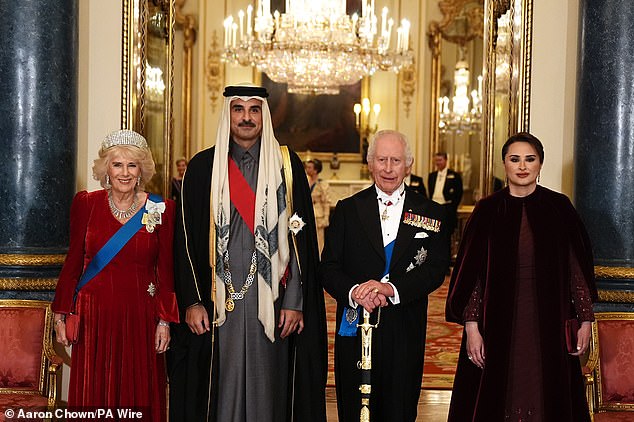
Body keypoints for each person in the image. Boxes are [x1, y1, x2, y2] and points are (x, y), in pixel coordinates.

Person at [168, 84, 327, 422]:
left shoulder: (286, 165)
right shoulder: (202, 167)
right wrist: (193, 300)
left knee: (269, 380)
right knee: (220, 381)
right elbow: (184, 240)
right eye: (238, 109)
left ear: (264, 116)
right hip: (217, 296)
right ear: (227, 114)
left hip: (271, 296)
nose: (246, 117)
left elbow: (300, 238)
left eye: (254, 109)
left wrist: (294, 300)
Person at [445, 132, 597, 421]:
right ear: (504, 164)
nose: (523, 166)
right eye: (515, 159)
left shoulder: (559, 207)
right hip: (495, 321)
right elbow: (472, 277)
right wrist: (472, 328)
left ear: (540, 164)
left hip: (550, 320)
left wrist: (586, 319)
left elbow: (577, 269)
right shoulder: (486, 210)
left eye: (530, 159)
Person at [320, 130, 451, 422]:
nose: (388, 168)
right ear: (370, 163)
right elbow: (328, 267)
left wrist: (390, 288)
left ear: (409, 164)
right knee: (355, 407)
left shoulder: (431, 212)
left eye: (396, 160)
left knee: (399, 406)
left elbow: (435, 270)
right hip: (356, 325)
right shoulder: (348, 209)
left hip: (404, 324)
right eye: (381, 160)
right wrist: (355, 292)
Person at [52, 129, 179, 422]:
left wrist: (164, 321)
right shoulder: (86, 203)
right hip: (93, 316)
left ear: (141, 170)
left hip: (140, 316)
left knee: (139, 393)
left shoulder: (161, 209)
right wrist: (60, 315)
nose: (124, 172)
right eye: (117, 164)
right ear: (106, 169)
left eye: (131, 165)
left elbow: (166, 270)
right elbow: (72, 262)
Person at [428, 152, 463, 234]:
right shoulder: (432, 176)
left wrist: (452, 207)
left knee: (446, 234)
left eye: (440, 160)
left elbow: (459, 193)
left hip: (447, 208)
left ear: (446, 160)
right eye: (436, 160)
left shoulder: (454, 175)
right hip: (434, 208)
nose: (438, 163)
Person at [304, 158, 330, 253]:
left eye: (310, 167)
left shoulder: (322, 184)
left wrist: (326, 217)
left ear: (315, 170)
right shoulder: (305, 182)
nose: (307, 169)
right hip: (306, 214)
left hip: (318, 216)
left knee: (319, 242)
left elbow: (326, 202)